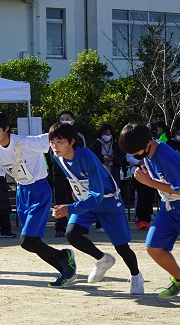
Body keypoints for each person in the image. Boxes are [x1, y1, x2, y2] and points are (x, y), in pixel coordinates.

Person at [0, 111, 76, 287]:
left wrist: (65, 125)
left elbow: (50, 138)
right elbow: (0, 181)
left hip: (39, 189)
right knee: (34, 242)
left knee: (27, 241)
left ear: (6, 129)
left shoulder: (24, 142)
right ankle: (65, 270)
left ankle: (64, 257)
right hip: (22, 192)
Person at [49, 122, 144, 294]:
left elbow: (97, 195)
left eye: (60, 142)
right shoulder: (58, 157)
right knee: (72, 234)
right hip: (87, 202)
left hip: (107, 203)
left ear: (72, 141)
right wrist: (75, 191)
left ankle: (136, 276)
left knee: (122, 246)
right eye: (52, 142)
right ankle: (103, 259)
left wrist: (69, 208)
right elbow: (77, 179)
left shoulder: (88, 157)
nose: (55, 146)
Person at [119, 123, 180, 299]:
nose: (135, 155)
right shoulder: (149, 151)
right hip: (169, 207)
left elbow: (179, 189)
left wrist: (148, 182)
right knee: (154, 246)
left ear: (148, 143)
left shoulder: (165, 155)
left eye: (136, 151)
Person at [50, 110, 86, 237]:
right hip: (59, 174)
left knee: (76, 199)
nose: (65, 120)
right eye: (62, 118)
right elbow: (52, 155)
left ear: (73, 121)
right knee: (59, 199)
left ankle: (79, 225)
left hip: (75, 176)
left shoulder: (79, 137)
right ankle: (60, 226)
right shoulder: (53, 136)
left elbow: (82, 154)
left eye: (67, 118)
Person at [88, 123, 127, 233]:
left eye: (109, 134)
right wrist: (102, 158)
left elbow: (122, 160)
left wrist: (113, 159)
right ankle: (100, 224)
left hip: (113, 175)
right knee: (100, 200)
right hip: (100, 176)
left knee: (114, 200)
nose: (107, 136)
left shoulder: (116, 145)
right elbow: (91, 159)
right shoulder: (95, 145)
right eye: (105, 133)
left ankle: (115, 223)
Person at [126, 153, 155, 229]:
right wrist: (138, 162)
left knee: (149, 196)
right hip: (137, 172)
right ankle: (139, 219)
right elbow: (128, 157)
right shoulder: (133, 143)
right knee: (140, 196)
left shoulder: (151, 143)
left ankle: (147, 219)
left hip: (150, 173)